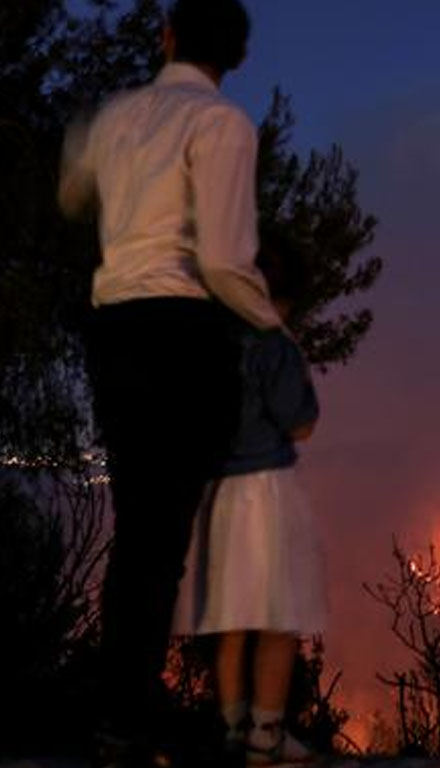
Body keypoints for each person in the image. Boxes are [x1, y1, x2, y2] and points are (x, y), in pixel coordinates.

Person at [58, 1, 280, 764]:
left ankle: (121, 704)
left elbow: (70, 194)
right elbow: (222, 261)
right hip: (183, 333)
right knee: (168, 534)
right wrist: (272, 328)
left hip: (114, 330)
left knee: (140, 531)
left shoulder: (116, 118)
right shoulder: (222, 127)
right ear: (237, 58)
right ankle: (131, 712)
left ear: (168, 37)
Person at [173, 230, 327, 766]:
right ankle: (267, 734)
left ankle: (232, 728)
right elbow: (301, 423)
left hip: (220, 493)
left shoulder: (218, 340)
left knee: (230, 616)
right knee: (278, 615)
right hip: (266, 492)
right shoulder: (274, 343)